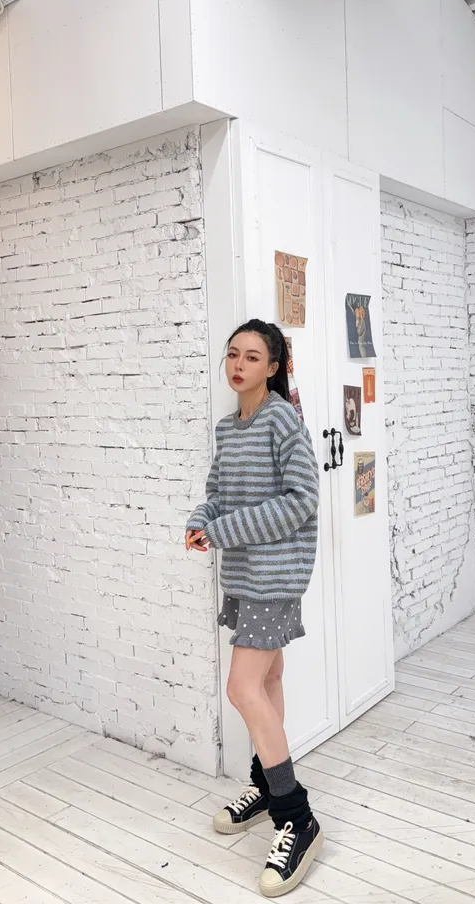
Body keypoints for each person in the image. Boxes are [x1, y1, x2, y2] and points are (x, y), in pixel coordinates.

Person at [185, 319, 322, 898]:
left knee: (242, 688)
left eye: (252, 357)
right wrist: (201, 521)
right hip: (244, 573)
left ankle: (296, 814)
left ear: (273, 366)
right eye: (232, 354)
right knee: (266, 681)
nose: (239, 365)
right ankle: (265, 786)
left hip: (276, 575)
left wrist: (223, 530)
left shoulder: (282, 419)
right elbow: (217, 494)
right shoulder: (228, 427)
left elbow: (302, 499)